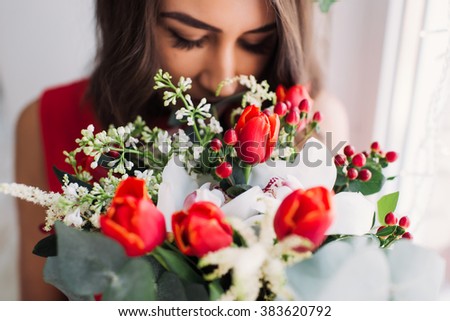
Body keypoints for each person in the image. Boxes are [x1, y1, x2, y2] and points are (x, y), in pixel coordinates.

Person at [15, 0, 349, 300]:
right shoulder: (45, 121)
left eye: (256, 42)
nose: (225, 77)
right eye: (188, 38)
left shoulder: (308, 125)